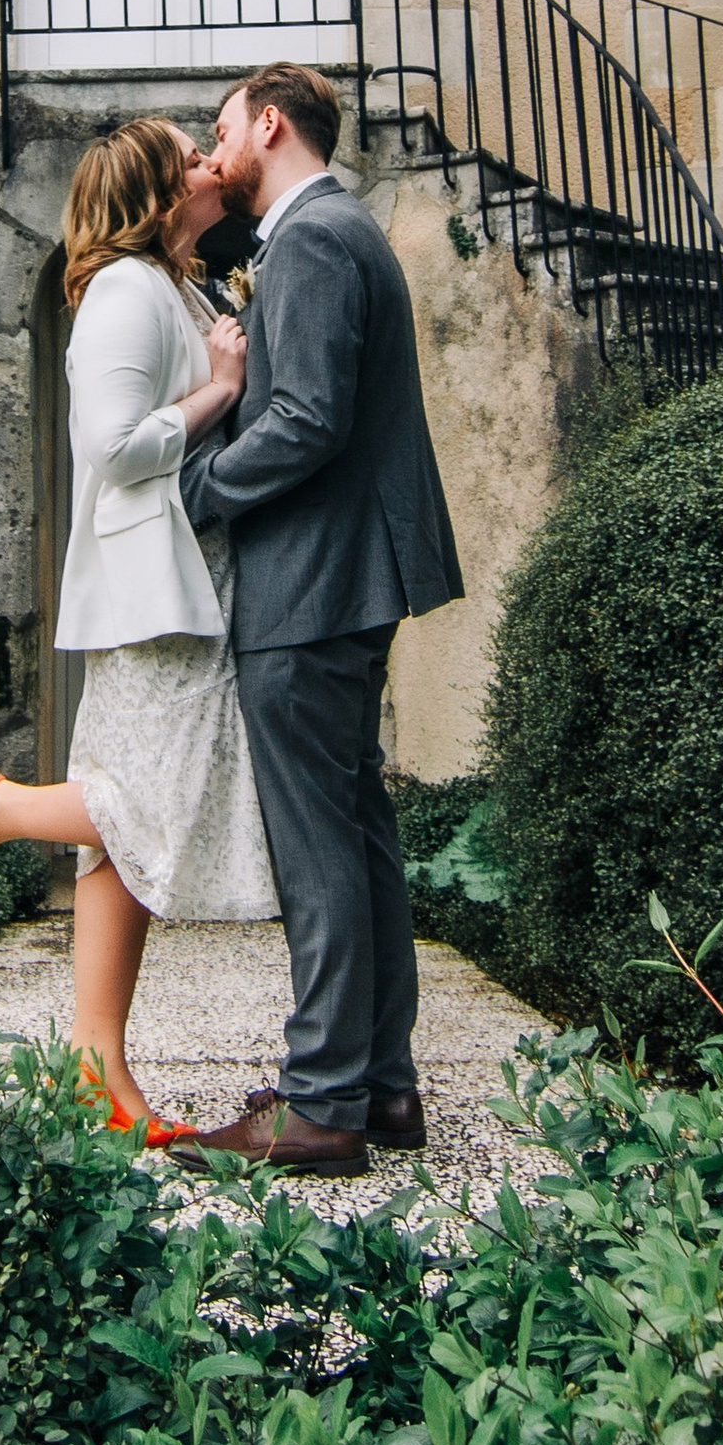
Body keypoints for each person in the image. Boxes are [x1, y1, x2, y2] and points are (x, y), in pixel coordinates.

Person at [0, 116, 278, 1135]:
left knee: (118, 839)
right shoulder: (123, 290)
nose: (215, 162)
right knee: (146, 806)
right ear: (163, 191)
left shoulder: (181, 284)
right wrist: (219, 389)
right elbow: (113, 450)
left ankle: (98, 1066)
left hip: (188, 575)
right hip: (153, 586)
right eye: (193, 153)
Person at [161, 65, 463, 1176]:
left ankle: (324, 1100)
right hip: (338, 576)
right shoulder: (326, 232)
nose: (213, 144)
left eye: (222, 127)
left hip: (315, 580)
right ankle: (379, 1086)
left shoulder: (317, 238)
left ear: (270, 124)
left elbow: (304, 419)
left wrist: (188, 497)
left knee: (317, 842)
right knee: (357, 828)